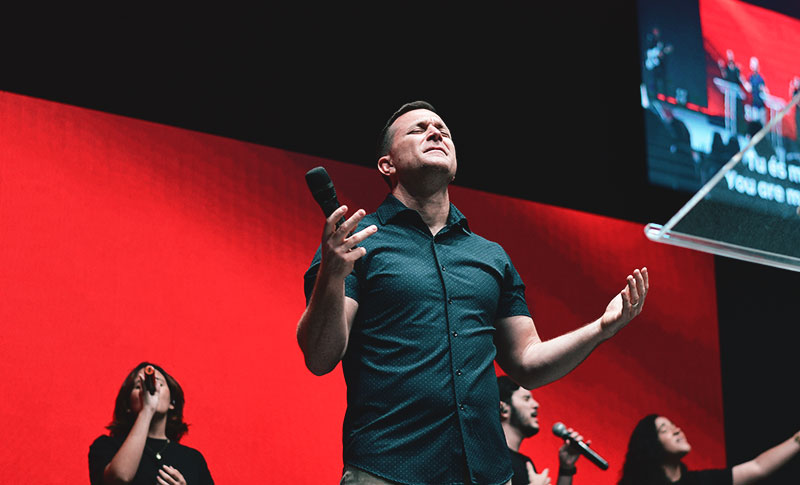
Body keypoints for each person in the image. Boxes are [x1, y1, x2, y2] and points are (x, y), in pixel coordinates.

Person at [298, 100, 649, 485]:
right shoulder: (355, 246)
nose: (436, 133)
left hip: (487, 474)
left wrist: (601, 328)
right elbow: (320, 356)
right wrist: (332, 274)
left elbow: (528, 363)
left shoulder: (491, 256)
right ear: (387, 164)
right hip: (388, 469)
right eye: (418, 129)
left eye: (443, 130)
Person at [88, 361, 214, 485]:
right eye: (139, 386)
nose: (151, 390)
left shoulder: (193, 459)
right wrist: (147, 409)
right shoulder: (107, 446)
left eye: (159, 384)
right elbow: (120, 478)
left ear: (172, 403)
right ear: (128, 405)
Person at [617, 414, 800, 485]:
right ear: (650, 445)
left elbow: (758, 467)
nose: (677, 430)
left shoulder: (702, 481)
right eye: (665, 429)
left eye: (674, 425)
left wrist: (797, 440)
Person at [497, 375, 585, 485]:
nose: (536, 404)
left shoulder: (525, 463)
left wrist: (566, 469)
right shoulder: (490, 457)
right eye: (526, 398)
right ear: (503, 409)